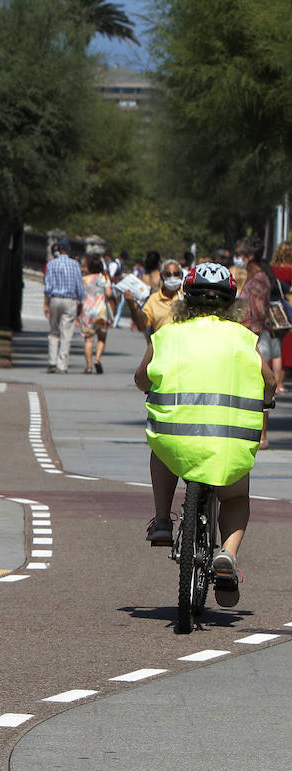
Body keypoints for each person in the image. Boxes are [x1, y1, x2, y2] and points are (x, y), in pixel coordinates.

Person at [135, 262, 274, 607]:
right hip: (230, 442)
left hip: (175, 439)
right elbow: (269, 381)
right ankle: (227, 552)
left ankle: (164, 521)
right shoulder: (244, 339)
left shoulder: (167, 334)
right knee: (236, 497)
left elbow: (142, 378)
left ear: (185, 298)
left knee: (162, 450)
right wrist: (266, 399)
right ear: (232, 303)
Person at [235, 237, 276, 449]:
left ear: (250, 256)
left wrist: (246, 326)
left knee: (261, 384)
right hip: (250, 335)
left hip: (256, 336)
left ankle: (263, 435)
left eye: (241, 254)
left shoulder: (259, 279)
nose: (239, 258)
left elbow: (258, 310)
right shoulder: (255, 277)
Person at [43, 236, 85, 374]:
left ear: (58, 250)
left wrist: (46, 304)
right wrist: (80, 303)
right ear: (68, 249)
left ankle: (52, 362)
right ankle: (62, 365)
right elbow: (79, 286)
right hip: (70, 300)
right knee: (66, 333)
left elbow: (47, 286)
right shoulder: (75, 264)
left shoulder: (51, 264)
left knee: (54, 332)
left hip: (55, 298)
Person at [125, 259, 183, 335]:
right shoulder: (153, 300)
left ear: (181, 275)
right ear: (162, 277)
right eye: (168, 274)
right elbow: (141, 326)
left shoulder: (188, 295)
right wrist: (132, 307)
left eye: (176, 274)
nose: (172, 277)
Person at [79, 253, 115, 374]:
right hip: (101, 312)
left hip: (87, 313)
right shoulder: (103, 279)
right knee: (102, 338)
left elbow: (79, 295)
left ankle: (89, 367)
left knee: (89, 340)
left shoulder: (84, 280)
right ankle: (97, 359)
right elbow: (109, 294)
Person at [270, 240, 292, 395]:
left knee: (273, 345)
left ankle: (271, 380)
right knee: (284, 349)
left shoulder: (272, 269)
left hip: (271, 311)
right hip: (285, 312)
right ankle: (281, 382)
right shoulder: (291, 271)